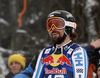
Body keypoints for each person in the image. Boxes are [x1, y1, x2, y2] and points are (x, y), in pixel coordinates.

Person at [14, 10, 89, 78]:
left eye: (57, 24)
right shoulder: (45, 52)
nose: (53, 28)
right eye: (50, 25)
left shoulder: (77, 51)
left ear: (68, 27)